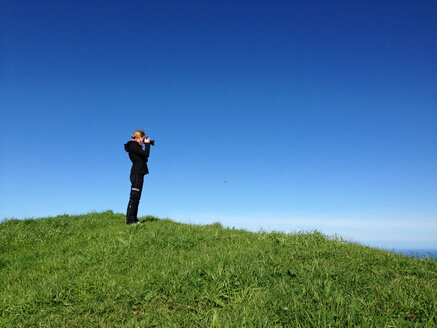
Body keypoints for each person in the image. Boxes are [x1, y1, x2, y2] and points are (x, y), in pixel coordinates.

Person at [124, 130, 151, 225]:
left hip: (139, 173)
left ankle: (134, 219)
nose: (144, 141)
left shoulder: (136, 146)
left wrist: (146, 144)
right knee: (134, 197)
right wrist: (147, 145)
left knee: (137, 197)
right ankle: (130, 221)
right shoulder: (133, 145)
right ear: (139, 137)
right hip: (136, 174)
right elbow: (146, 154)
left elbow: (144, 158)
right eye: (143, 139)